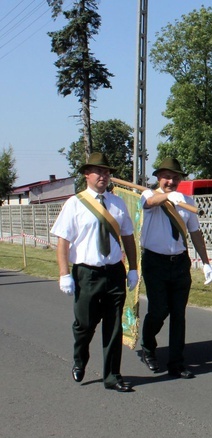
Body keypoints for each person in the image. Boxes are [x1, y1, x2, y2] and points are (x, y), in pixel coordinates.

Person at [51, 152, 139, 393]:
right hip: (87, 273)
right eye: (98, 171)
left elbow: (128, 238)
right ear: (86, 175)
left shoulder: (117, 203)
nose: (103, 175)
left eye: (106, 171)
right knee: (84, 324)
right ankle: (80, 360)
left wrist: (133, 269)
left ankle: (112, 375)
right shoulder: (75, 203)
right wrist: (64, 273)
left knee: (113, 326)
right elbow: (63, 242)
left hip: (113, 272)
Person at [139, 157, 212, 379]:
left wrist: (206, 262)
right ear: (158, 178)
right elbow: (149, 204)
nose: (170, 181)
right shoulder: (149, 195)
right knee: (158, 310)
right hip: (155, 262)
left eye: (174, 177)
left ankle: (176, 362)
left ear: (180, 179)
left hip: (179, 262)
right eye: (166, 177)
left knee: (178, 314)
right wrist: (167, 197)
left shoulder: (185, 201)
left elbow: (195, 233)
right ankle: (148, 347)